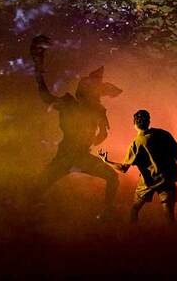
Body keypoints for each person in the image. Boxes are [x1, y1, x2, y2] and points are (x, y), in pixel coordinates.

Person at [30, 35, 122, 220]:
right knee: (35, 191)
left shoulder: (95, 110)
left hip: (78, 156)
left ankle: (107, 212)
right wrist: (38, 70)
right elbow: (46, 97)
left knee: (112, 177)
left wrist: (96, 137)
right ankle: (25, 216)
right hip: (67, 157)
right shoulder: (71, 104)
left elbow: (102, 134)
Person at [98, 109, 177, 224]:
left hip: (148, 182)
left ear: (134, 124)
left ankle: (132, 234)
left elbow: (123, 168)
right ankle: (174, 239)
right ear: (149, 121)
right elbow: (176, 153)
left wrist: (106, 161)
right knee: (169, 217)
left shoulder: (136, 143)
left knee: (135, 209)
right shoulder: (163, 134)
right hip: (167, 179)